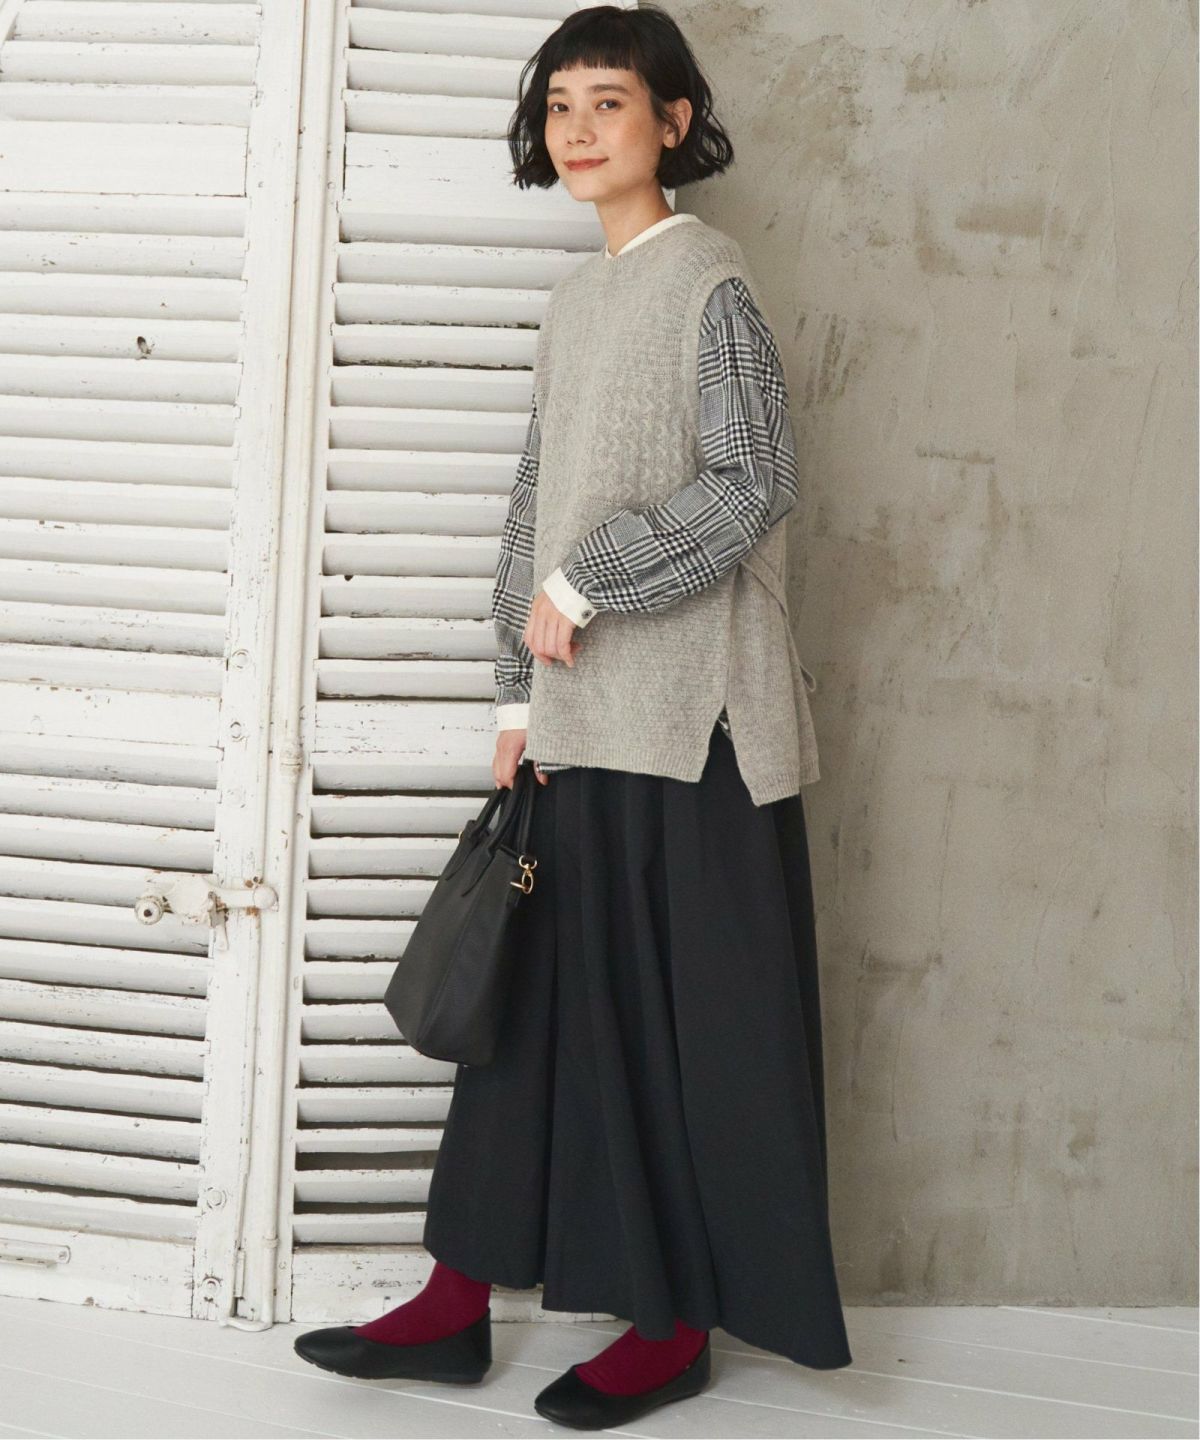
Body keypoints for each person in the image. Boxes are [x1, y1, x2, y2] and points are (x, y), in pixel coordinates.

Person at [293, 4, 852, 1427]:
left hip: (695, 732)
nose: (581, 128)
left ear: (674, 121)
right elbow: (533, 503)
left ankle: (673, 1324)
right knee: (530, 1017)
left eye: (611, 101)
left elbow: (755, 481)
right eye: (560, 107)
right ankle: (454, 1302)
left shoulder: (707, 282)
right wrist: (513, 689)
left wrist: (590, 582)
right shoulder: (576, 302)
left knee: (684, 1039)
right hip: (581, 721)